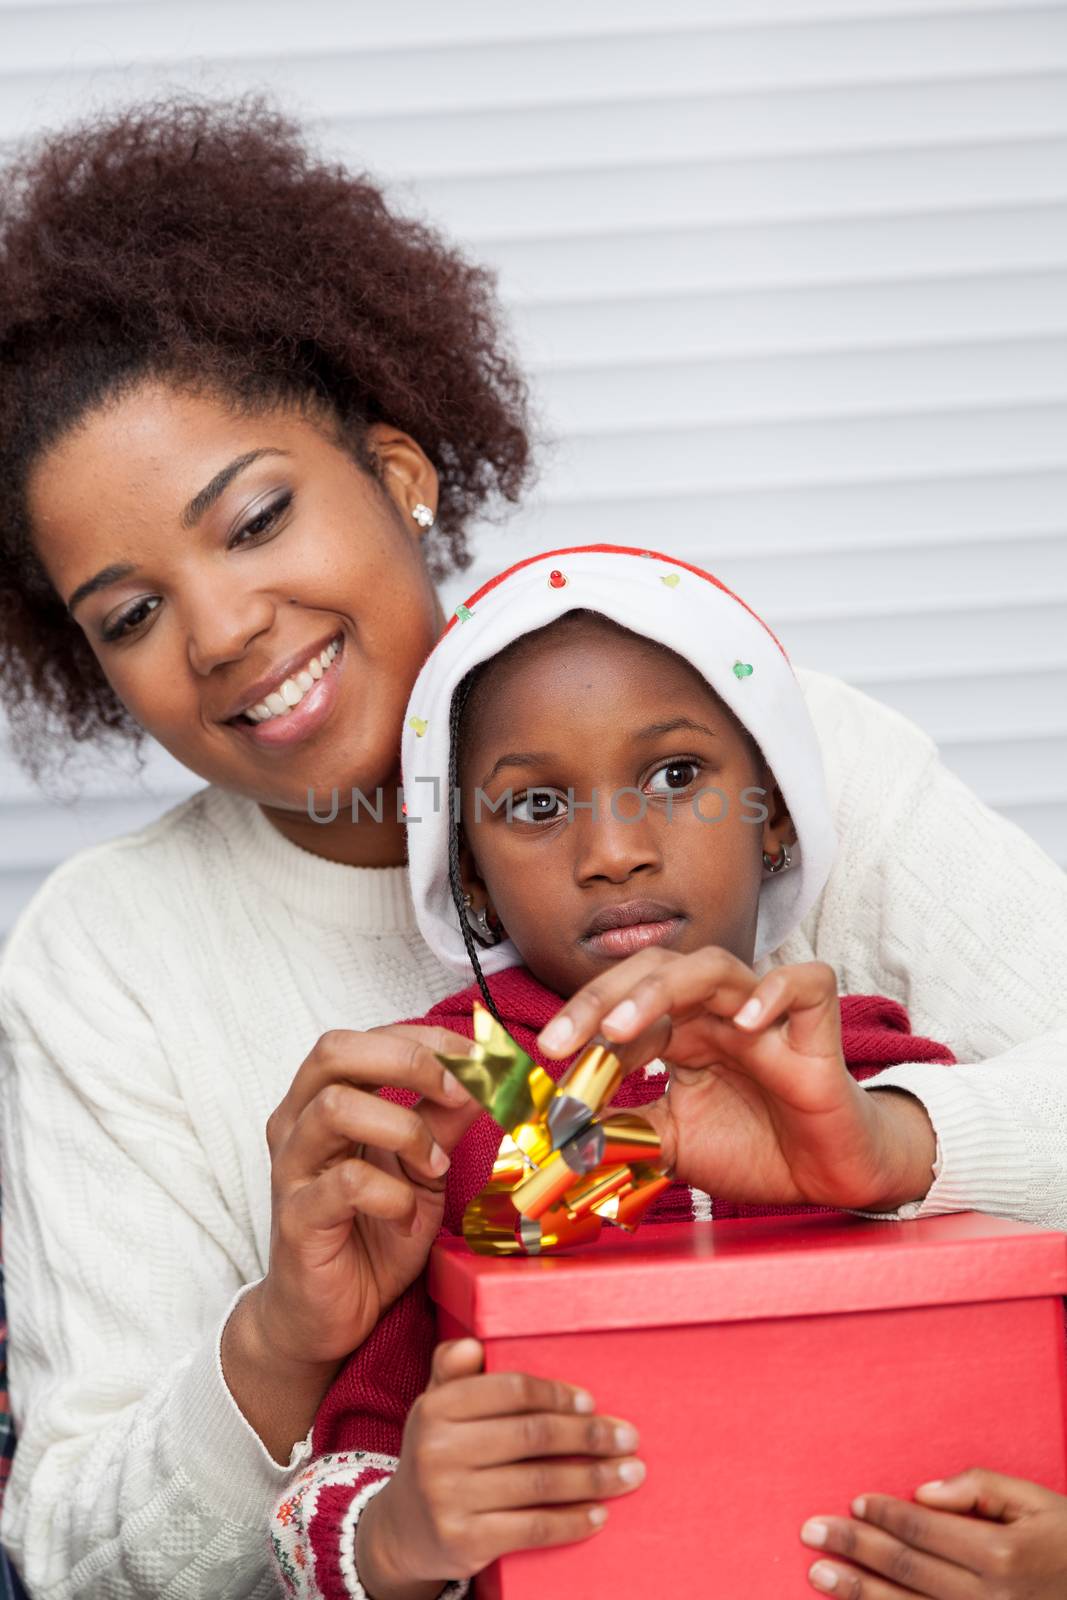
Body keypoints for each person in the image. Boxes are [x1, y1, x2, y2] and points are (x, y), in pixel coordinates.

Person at [0, 96, 1064, 1600]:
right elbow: (86, 1566)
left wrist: (885, 1144)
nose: (224, 631)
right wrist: (278, 1347)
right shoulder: (105, 957)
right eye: (129, 615)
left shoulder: (785, 745)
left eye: (253, 520)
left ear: (399, 468)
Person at [269, 546, 1067, 1600]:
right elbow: (345, 1457)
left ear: (774, 812)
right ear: (467, 868)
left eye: (675, 775)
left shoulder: (865, 1065)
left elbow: (1008, 1345)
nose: (612, 849)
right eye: (536, 805)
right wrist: (397, 1532)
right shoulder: (441, 1103)